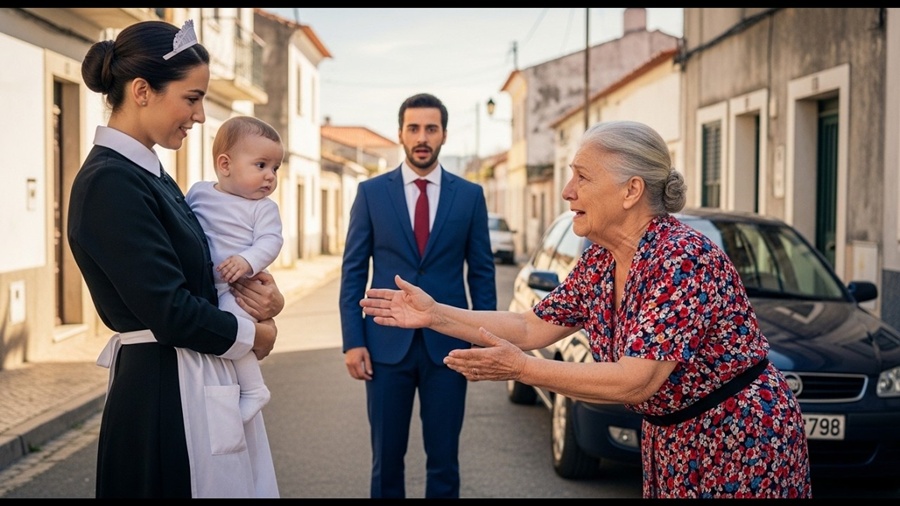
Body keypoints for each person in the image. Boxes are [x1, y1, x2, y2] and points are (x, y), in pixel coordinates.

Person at [359, 120, 813, 499]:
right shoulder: (602, 256)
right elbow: (530, 324)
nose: (566, 190)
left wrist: (521, 369)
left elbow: (638, 377)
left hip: (740, 439)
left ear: (631, 190)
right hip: (672, 436)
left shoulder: (682, 258)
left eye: (583, 176)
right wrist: (436, 313)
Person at [69, 20, 282, 498]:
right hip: (163, 390)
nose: (202, 116)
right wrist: (258, 335)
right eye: (192, 98)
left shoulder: (152, 175)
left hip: (193, 378)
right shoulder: (111, 182)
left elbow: (206, 274)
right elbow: (169, 310)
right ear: (142, 91)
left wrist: (268, 299)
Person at [339, 92, 497, 498]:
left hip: (449, 348)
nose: (422, 137)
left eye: (431, 128)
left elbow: (481, 273)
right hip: (385, 347)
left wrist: (486, 341)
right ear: (401, 134)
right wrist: (353, 341)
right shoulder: (371, 193)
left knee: (444, 459)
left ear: (444, 134)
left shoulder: (470, 195)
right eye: (414, 128)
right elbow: (353, 271)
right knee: (386, 460)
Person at [186, 115, 285, 424]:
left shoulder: (263, 208)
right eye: (261, 165)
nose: (270, 176)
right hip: (205, 287)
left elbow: (271, 241)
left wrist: (247, 260)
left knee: (236, 328)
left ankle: (254, 389)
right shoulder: (199, 192)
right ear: (225, 165)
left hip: (236, 290)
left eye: (275, 168)